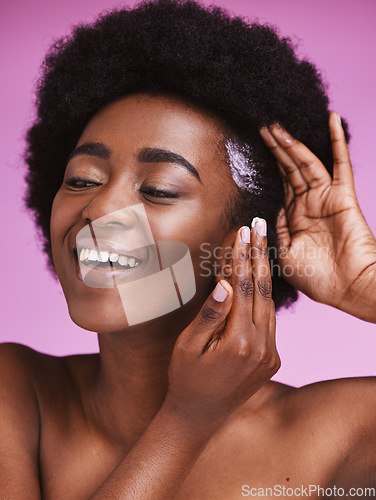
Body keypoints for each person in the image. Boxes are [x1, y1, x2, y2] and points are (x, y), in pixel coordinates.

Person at [1, 0, 375, 498]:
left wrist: (367, 287)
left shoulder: (344, 434)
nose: (99, 210)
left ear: (246, 242)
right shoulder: (18, 390)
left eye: (158, 189)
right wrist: (185, 421)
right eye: (81, 179)